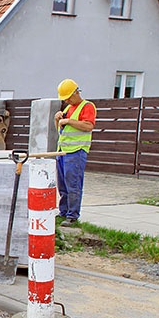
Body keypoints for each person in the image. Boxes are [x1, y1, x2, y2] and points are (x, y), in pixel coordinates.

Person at [54, 79, 95, 226]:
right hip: (63, 152)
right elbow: (61, 131)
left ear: (76, 92)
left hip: (76, 152)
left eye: (69, 97)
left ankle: (73, 216)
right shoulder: (67, 109)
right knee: (63, 185)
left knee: (73, 185)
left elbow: (88, 125)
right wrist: (57, 119)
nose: (67, 100)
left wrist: (68, 121)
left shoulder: (87, 106)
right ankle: (63, 212)